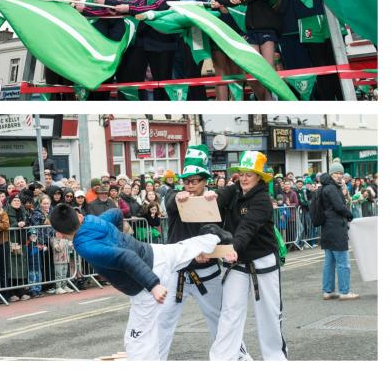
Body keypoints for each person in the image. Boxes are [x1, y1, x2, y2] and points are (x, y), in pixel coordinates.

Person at [49, 204, 232, 360]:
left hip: (144, 283)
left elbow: (124, 256)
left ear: (59, 234)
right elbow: (116, 212)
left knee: (137, 341)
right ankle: (213, 236)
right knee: (183, 249)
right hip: (154, 252)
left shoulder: (84, 246)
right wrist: (122, 237)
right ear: (79, 216)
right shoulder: (93, 220)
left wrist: (153, 285)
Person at [160, 145, 250, 361]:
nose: (190, 185)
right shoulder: (175, 196)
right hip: (178, 272)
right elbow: (170, 200)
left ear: (204, 181)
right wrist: (180, 196)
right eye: (186, 181)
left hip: (206, 271)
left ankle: (239, 359)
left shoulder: (214, 200)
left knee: (221, 319)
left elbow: (226, 234)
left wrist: (210, 253)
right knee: (161, 321)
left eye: (195, 181)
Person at [209, 151, 287, 361]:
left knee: (269, 315)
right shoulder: (234, 190)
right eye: (241, 173)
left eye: (249, 174)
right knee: (230, 312)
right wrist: (210, 197)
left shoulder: (263, 200)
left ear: (259, 177)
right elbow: (220, 198)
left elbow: (248, 227)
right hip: (236, 262)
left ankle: (276, 360)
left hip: (262, 261)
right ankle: (224, 360)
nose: (243, 178)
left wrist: (234, 246)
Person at [213, 0, 281, 100]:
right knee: (252, 70)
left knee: (268, 67)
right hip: (246, 28)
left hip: (265, 25)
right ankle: (264, 99)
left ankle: (269, 100)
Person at [126, 0, 179, 100]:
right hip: (150, 43)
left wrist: (128, 8)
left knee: (164, 79)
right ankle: (158, 110)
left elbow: (155, 7)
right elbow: (136, 5)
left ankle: (168, 113)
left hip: (164, 42)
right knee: (155, 80)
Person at [320, 163, 359, 300]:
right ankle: (344, 291)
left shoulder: (325, 187)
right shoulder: (332, 189)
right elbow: (339, 206)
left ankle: (328, 291)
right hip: (336, 228)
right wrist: (350, 215)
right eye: (336, 173)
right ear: (331, 174)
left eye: (341, 173)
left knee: (329, 263)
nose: (339, 175)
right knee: (343, 262)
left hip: (327, 228)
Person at [208, 0, 244, 101]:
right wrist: (213, 7)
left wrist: (228, 8)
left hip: (234, 31)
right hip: (216, 33)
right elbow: (202, 4)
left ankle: (238, 101)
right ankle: (222, 102)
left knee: (236, 70)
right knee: (221, 71)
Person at [176, 0, 210, 100]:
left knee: (194, 73)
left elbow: (202, 2)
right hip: (186, 31)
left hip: (196, 31)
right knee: (189, 73)